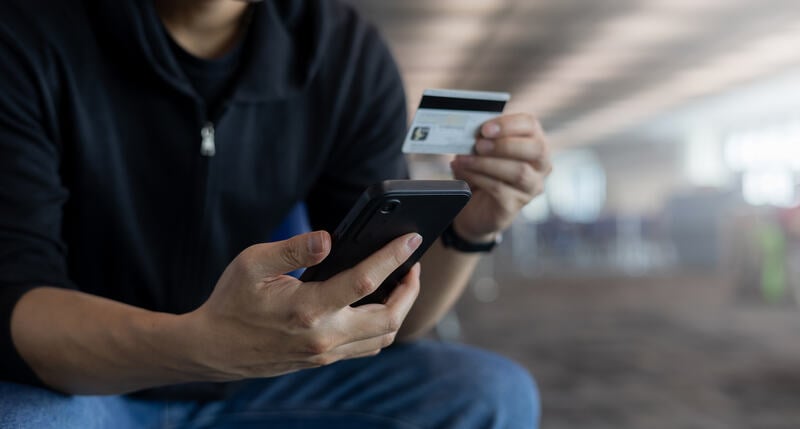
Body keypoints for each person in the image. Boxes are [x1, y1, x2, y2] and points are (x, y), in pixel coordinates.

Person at [0, 0, 552, 427]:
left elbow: (382, 309)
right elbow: (17, 299)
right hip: (78, 383)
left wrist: (472, 229)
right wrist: (200, 346)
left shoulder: (342, 52)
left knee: (487, 395)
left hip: (262, 381)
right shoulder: (27, 32)